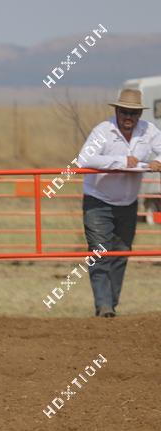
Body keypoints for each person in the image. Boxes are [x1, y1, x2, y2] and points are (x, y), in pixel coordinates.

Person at [77, 88, 161, 317]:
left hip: (128, 203)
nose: (128, 117)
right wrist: (120, 161)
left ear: (140, 114)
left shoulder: (149, 131)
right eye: (124, 111)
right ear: (116, 111)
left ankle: (110, 306)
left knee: (122, 252)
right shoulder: (103, 131)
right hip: (98, 201)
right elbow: (84, 159)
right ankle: (104, 306)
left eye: (133, 113)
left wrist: (157, 161)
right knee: (99, 252)